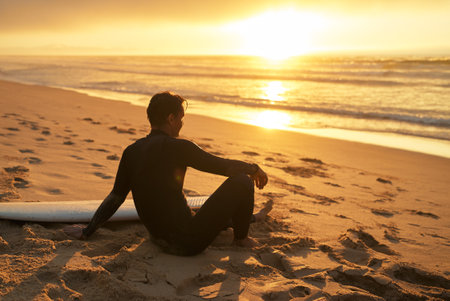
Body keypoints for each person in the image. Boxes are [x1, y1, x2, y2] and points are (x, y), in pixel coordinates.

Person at [64, 91, 269, 256]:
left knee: (199, 212)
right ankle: (241, 239)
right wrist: (254, 168)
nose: (182, 123)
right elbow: (223, 167)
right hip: (187, 244)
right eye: (180, 118)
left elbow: (115, 198)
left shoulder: (131, 152)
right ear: (171, 119)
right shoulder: (180, 147)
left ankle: (250, 218)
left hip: (158, 239)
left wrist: (87, 230)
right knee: (242, 182)